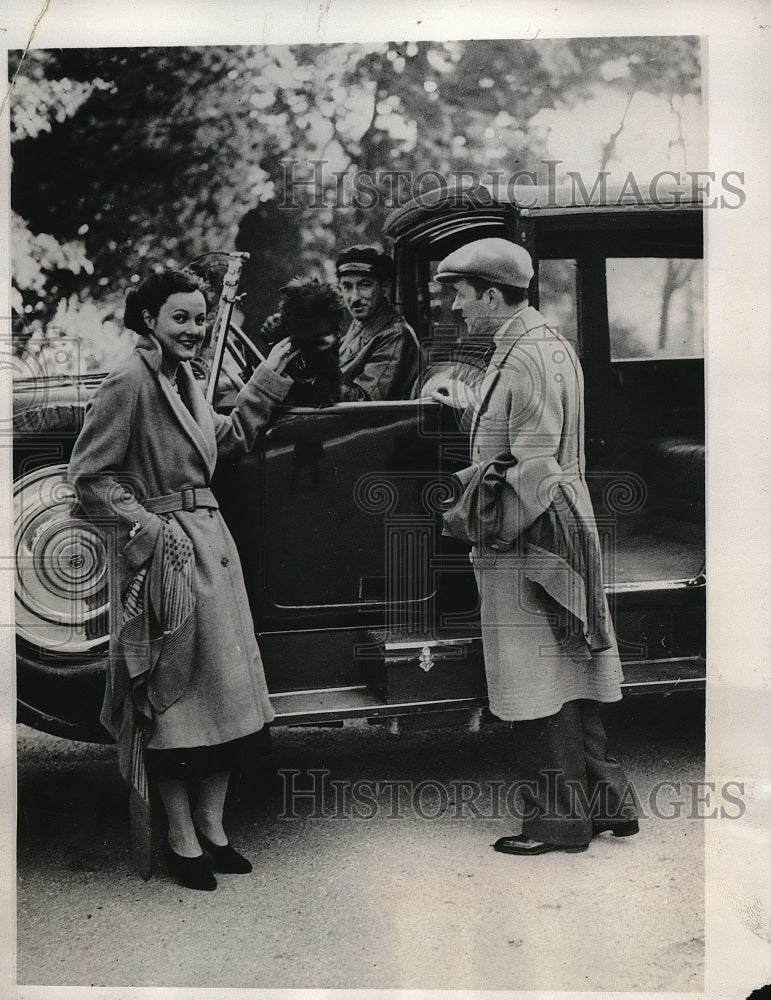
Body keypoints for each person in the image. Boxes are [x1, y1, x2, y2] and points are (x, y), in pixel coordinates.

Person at [68, 270, 296, 890]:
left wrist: (266, 381)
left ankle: (213, 828)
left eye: (200, 319)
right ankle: (180, 837)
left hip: (212, 550)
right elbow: (88, 479)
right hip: (163, 559)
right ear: (149, 321)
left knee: (223, 698)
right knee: (170, 702)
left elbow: (222, 440)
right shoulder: (128, 381)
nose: (195, 330)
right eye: (181, 319)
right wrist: (149, 531)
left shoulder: (185, 377)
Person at [431, 238, 638, 856]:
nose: (455, 308)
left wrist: (478, 518)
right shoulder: (540, 344)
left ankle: (557, 824)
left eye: (460, 296)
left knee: (535, 678)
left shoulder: (523, 357)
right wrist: (471, 416)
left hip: (532, 532)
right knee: (572, 669)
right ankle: (605, 806)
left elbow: (534, 464)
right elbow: (522, 437)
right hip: (552, 522)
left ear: (492, 296)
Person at [335, 245, 421, 401]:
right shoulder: (360, 324)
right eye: (347, 287)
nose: (354, 298)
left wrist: (309, 387)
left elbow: (364, 400)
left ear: (385, 287)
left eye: (364, 285)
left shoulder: (395, 335)